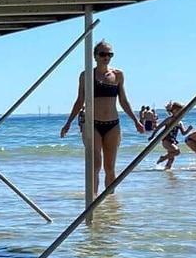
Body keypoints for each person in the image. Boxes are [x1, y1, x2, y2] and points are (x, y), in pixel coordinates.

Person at [60, 40, 142, 190]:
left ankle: (110, 201)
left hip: (112, 124)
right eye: (103, 54)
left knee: (110, 167)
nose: (106, 57)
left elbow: (123, 101)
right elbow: (80, 100)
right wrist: (68, 123)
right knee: (95, 165)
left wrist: (136, 121)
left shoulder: (118, 75)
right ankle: (93, 199)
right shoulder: (86, 75)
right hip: (92, 124)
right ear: (95, 56)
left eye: (110, 54)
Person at [155, 101, 189, 169]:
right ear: (174, 111)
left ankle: (167, 170)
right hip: (166, 140)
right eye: (180, 111)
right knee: (177, 151)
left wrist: (188, 130)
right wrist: (152, 136)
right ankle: (163, 158)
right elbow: (158, 127)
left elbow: (183, 133)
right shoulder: (169, 119)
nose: (181, 113)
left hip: (173, 141)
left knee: (171, 158)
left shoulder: (180, 122)